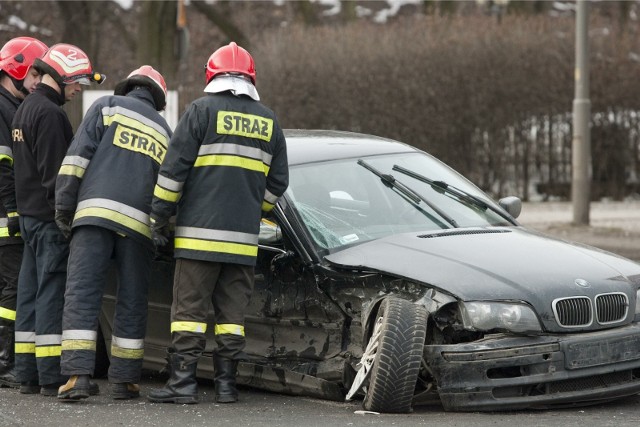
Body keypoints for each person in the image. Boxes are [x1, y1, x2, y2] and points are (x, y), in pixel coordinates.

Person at [147, 42, 289, 404]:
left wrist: (158, 218)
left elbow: (172, 173)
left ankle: (183, 384)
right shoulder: (269, 120)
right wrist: (253, 211)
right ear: (251, 78)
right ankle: (227, 387)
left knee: (189, 314)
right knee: (232, 317)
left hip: (198, 239)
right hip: (242, 243)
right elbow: (278, 183)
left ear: (211, 75)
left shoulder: (200, 111)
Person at [55, 65, 172, 401]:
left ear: (129, 87)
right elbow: (168, 188)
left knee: (82, 293)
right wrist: (161, 230)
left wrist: (64, 208)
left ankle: (77, 376)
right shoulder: (165, 130)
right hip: (138, 228)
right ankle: (125, 379)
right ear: (158, 98)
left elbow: (76, 159)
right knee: (133, 299)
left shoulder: (106, 106)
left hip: (93, 217)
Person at [11, 43, 105, 396]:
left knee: (29, 295)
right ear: (62, 76)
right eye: (77, 81)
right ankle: (51, 376)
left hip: (30, 218)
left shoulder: (24, 110)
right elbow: (55, 175)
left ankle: (27, 374)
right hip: (49, 221)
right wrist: (65, 218)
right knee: (51, 295)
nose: (79, 88)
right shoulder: (50, 115)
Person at [0, 36, 48, 389]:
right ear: (20, 69)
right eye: (36, 74)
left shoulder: (11, 107)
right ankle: (5, 360)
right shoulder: (3, 109)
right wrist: (15, 212)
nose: (38, 84)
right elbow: (4, 167)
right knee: (14, 288)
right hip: (5, 218)